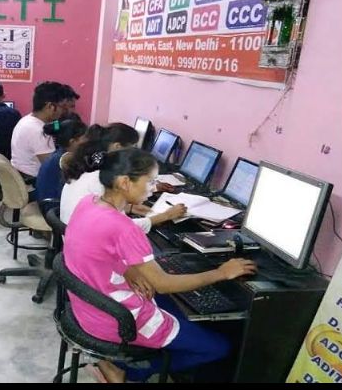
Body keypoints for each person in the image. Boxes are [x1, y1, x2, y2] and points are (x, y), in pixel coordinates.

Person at [64, 147, 257, 383]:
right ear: (125, 182)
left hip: (89, 310)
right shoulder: (124, 228)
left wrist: (130, 269)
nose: (153, 188)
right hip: (117, 322)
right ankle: (131, 371)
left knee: (176, 307)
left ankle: (119, 362)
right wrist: (222, 272)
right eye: (150, 182)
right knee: (219, 347)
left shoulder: (88, 203)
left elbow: (97, 252)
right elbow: (163, 285)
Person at [60, 123, 185, 232]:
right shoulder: (102, 178)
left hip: (74, 237)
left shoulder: (88, 166)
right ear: (117, 147)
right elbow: (124, 228)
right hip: (87, 243)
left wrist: (130, 208)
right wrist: (166, 215)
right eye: (132, 147)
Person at [10, 81, 68, 179]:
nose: (63, 111)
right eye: (63, 107)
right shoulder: (38, 130)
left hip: (22, 175)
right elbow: (53, 166)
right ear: (50, 106)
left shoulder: (27, 120)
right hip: (34, 181)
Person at [35, 115, 87, 206]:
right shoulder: (65, 161)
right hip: (52, 206)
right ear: (72, 142)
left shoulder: (58, 154)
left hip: (45, 201)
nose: (87, 143)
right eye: (85, 139)